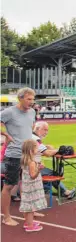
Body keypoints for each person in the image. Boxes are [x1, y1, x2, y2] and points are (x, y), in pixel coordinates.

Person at [1, 87, 36, 226]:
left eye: (33, 99)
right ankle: (6, 216)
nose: (32, 102)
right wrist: (5, 134)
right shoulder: (9, 112)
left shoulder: (32, 112)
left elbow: (29, 129)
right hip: (14, 154)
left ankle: (28, 211)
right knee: (9, 186)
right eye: (29, 99)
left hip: (28, 154)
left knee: (27, 184)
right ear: (20, 98)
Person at [32, 122, 76, 199]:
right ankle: (65, 192)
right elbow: (47, 153)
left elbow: (36, 150)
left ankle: (60, 190)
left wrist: (47, 147)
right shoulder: (35, 139)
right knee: (53, 173)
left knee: (48, 171)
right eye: (44, 130)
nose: (46, 132)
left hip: (26, 165)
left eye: (47, 130)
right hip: (31, 167)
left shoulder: (31, 136)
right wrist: (59, 150)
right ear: (37, 128)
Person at [20, 139, 47, 232]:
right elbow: (32, 176)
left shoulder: (25, 159)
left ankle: (27, 222)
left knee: (26, 205)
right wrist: (39, 169)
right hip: (32, 187)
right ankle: (30, 226)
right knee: (30, 207)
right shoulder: (31, 162)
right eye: (36, 147)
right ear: (31, 150)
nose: (38, 149)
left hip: (26, 186)